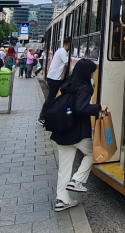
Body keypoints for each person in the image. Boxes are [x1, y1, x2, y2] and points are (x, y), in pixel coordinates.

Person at [50, 59, 107, 212]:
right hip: (77, 132)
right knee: (93, 153)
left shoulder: (67, 84)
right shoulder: (85, 87)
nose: (93, 74)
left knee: (64, 168)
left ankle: (61, 200)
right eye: (92, 72)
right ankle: (77, 180)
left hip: (62, 131)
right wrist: (98, 107)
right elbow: (81, 108)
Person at [40, 38, 71, 126]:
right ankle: (42, 117)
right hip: (55, 79)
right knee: (51, 98)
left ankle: (53, 115)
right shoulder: (63, 52)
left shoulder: (60, 51)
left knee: (57, 97)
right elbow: (67, 63)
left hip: (55, 78)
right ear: (68, 45)